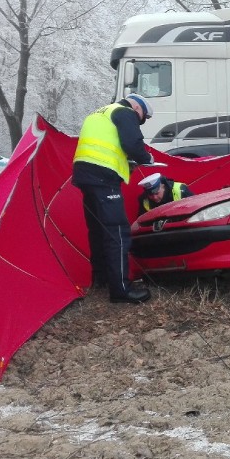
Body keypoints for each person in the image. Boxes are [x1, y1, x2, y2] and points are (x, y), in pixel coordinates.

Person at [72, 93, 154, 304]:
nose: (139, 122)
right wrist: (147, 159)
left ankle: (101, 279)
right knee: (117, 232)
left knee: (98, 231)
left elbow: (105, 148)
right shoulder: (125, 112)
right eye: (141, 119)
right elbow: (133, 144)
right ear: (137, 109)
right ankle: (121, 290)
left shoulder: (98, 114)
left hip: (84, 176)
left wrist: (126, 164)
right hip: (104, 179)